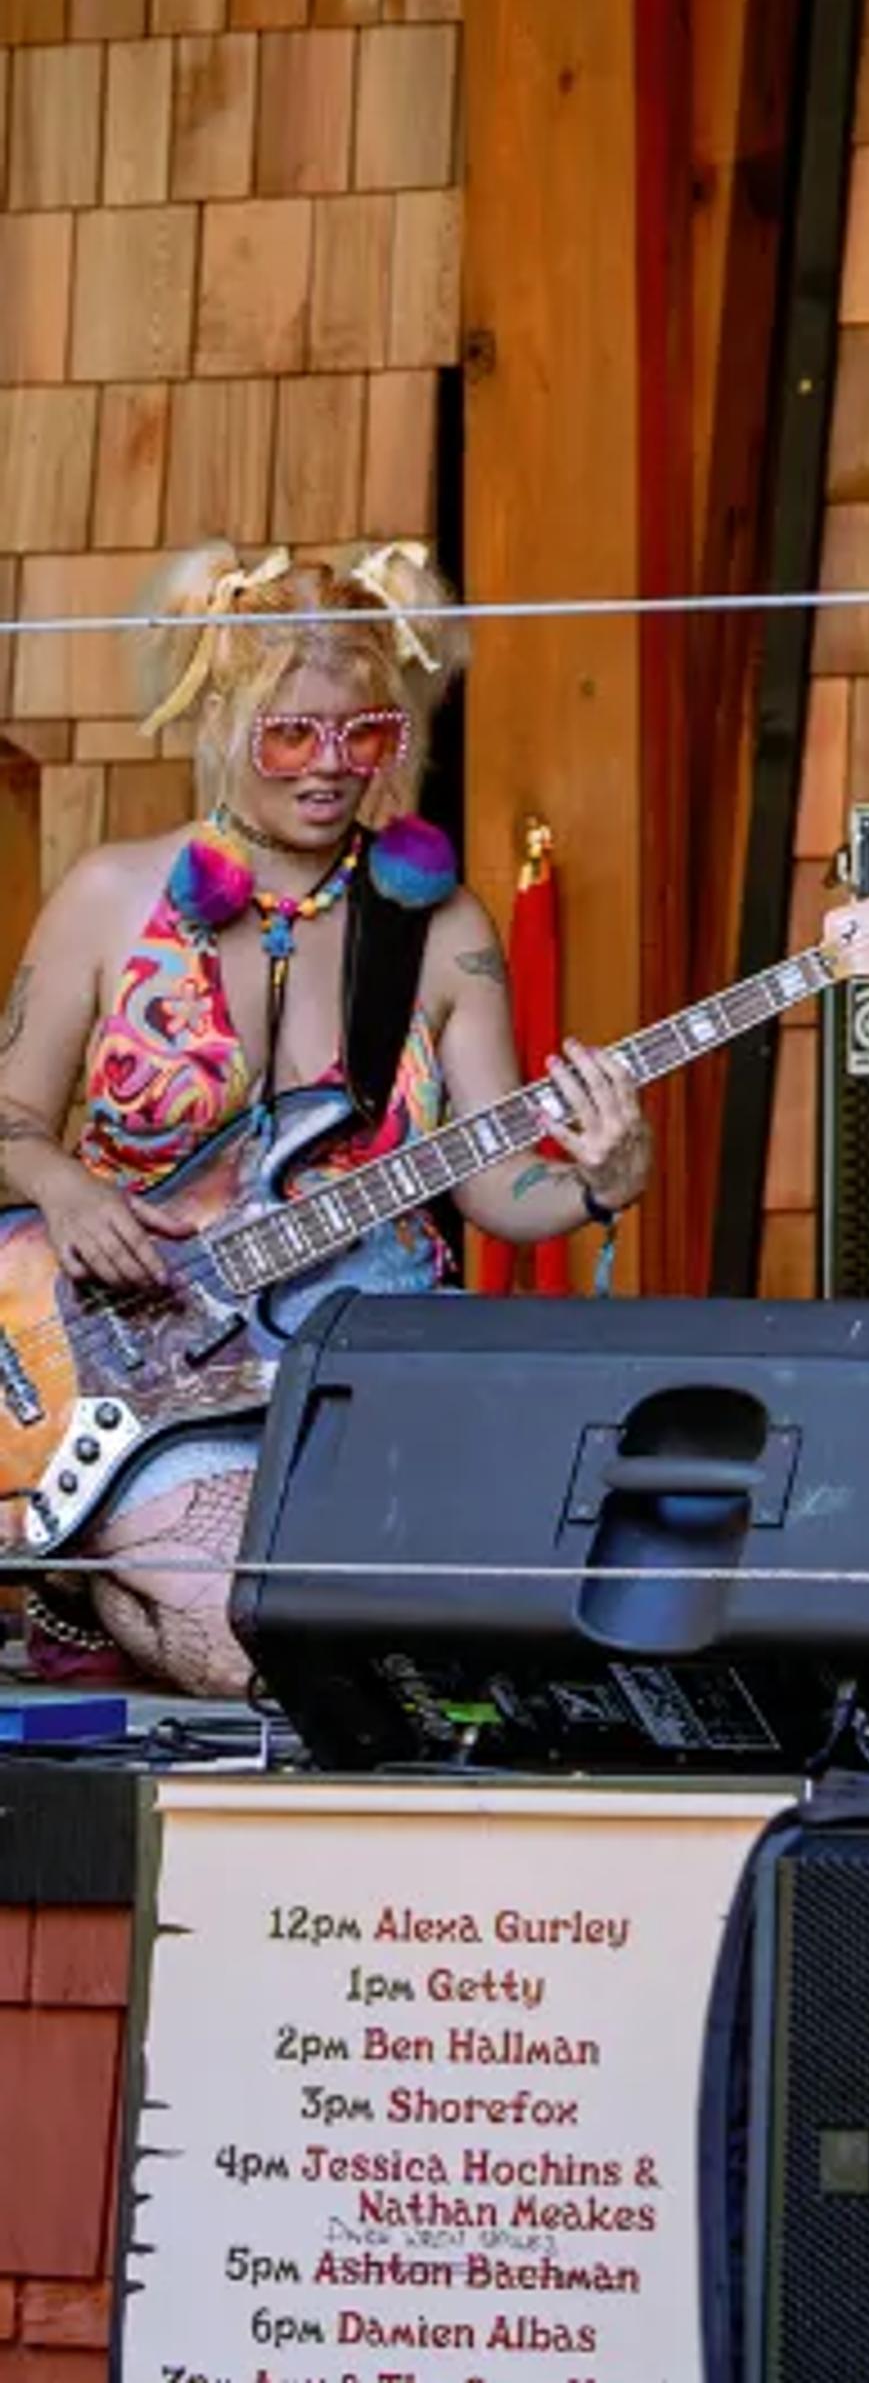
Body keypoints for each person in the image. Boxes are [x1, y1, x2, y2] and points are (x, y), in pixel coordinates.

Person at [0, 542, 648, 1693]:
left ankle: (106, 1590)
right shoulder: (110, 896)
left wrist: (599, 1178)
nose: (331, 768)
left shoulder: (444, 929)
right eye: (291, 735)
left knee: (469, 1637)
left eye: (366, 736)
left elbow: (499, 1186)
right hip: (127, 1380)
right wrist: (68, 1188)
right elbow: (8, 1122)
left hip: (360, 1380)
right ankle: (100, 1572)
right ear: (222, 728)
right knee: (263, 1651)